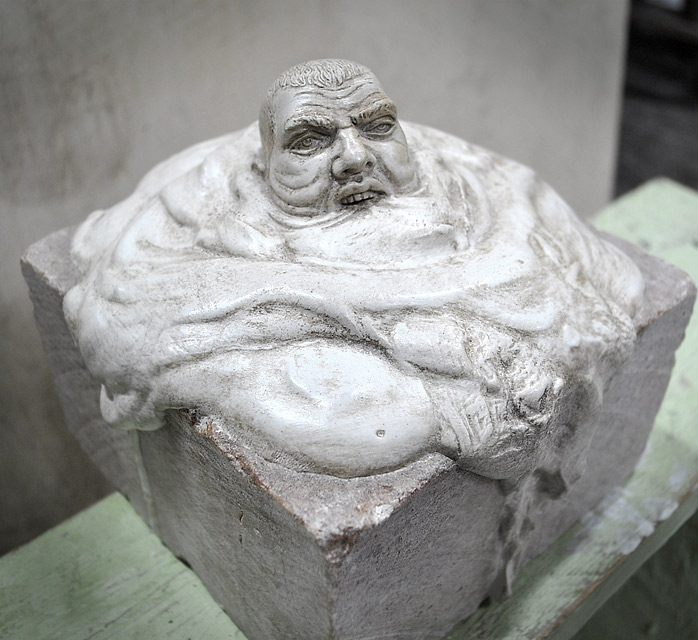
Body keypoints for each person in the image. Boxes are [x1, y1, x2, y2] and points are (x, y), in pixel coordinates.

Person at [65, 59, 644, 489]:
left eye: (377, 126)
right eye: (309, 142)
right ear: (261, 168)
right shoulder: (196, 279)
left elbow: (617, 287)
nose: (355, 158)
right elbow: (126, 333)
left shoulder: (505, 205)